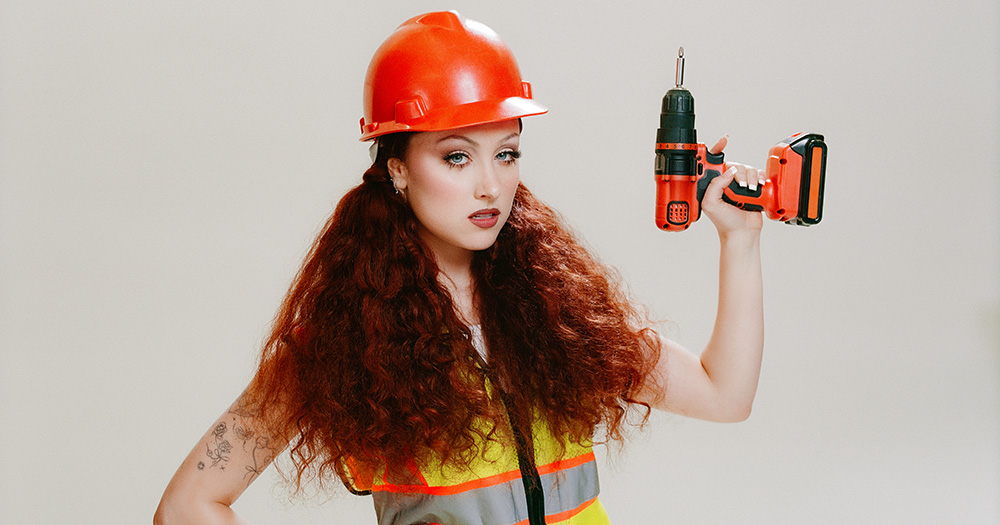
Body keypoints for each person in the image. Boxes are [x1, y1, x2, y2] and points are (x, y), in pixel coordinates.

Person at [154, 10, 764, 525]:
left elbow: (724, 394)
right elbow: (189, 505)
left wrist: (739, 242)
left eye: (506, 154)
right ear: (397, 168)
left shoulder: (557, 311)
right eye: (455, 157)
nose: (489, 187)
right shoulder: (343, 341)